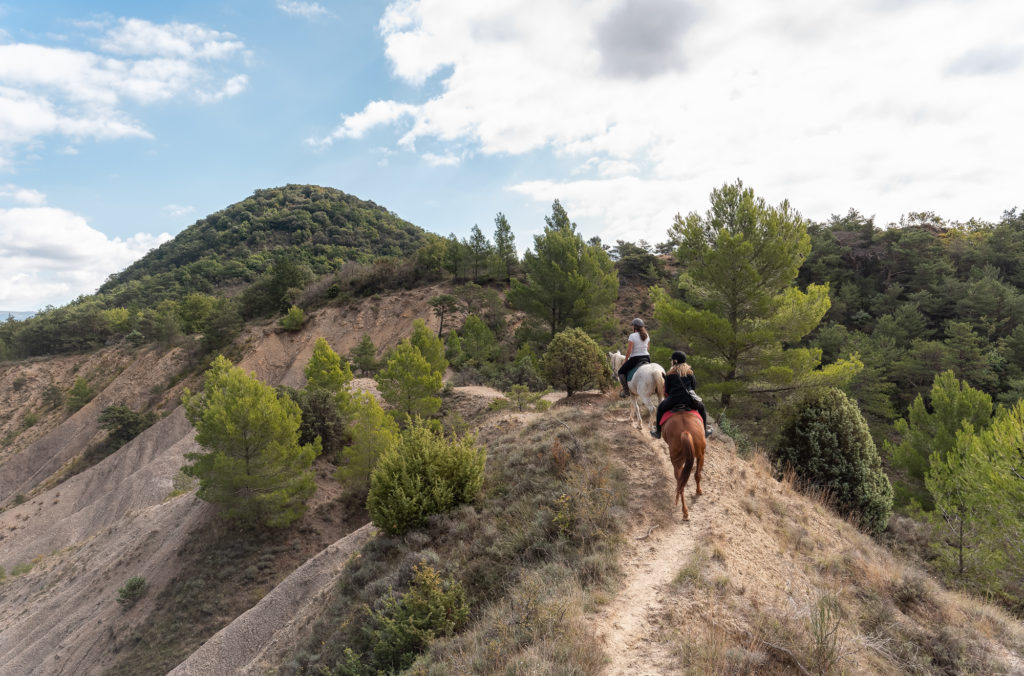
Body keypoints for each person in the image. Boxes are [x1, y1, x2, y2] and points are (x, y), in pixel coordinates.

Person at [651, 350, 713, 440]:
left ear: (675, 361)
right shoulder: (690, 372)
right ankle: (705, 431)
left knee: (660, 408)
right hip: (689, 400)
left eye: (672, 360)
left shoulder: (669, 374)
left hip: (673, 400)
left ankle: (658, 432)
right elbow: (693, 387)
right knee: (702, 408)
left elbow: (667, 390)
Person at [618, 318, 651, 398]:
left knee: (621, 372)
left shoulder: (632, 336)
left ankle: (626, 391)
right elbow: (648, 348)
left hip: (636, 358)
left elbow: (629, 350)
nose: (631, 327)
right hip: (647, 357)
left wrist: (626, 360)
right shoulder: (646, 335)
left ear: (635, 327)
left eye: (632, 326)